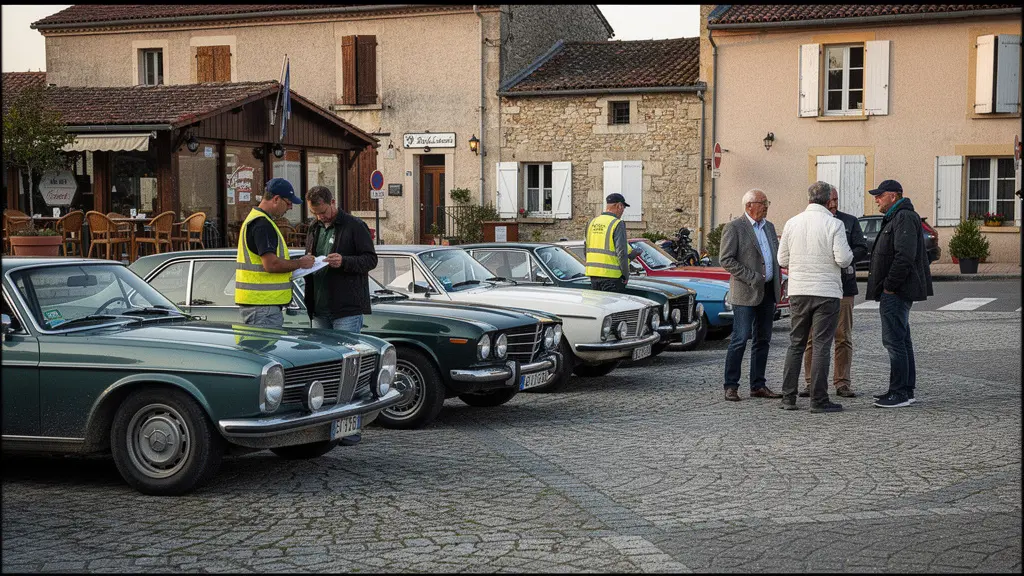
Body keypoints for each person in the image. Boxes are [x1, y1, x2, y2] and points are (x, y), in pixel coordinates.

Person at [777, 182, 854, 413]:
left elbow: (782, 259)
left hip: (799, 291)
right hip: (826, 291)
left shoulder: (792, 222)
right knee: (821, 345)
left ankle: (788, 398)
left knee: (796, 344)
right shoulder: (835, 224)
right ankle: (818, 400)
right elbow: (843, 259)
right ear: (828, 199)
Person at [865, 179, 933, 408]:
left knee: (894, 341)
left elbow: (904, 255)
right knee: (901, 339)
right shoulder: (899, 216)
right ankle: (904, 389)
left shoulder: (903, 217)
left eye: (879, 195)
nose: (876, 199)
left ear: (893, 196)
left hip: (897, 290)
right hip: (897, 289)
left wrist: (889, 285)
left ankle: (899, 393)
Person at [800, 185, 869, 399]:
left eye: (836, 199)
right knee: (813, 338)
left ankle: (842, 382)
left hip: (844, 285)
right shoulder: (809, 221)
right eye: (830, 199)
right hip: (819, 286)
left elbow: (861, 247)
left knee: (843, 336)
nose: (833, 203)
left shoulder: (849, 221)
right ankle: (810, 382)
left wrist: (845, 257)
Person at [718, 189, 783, 401]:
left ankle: (758, 384)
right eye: (763, 203)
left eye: (767, 202)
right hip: (746, 292)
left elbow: (774, 257)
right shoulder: (735, 227)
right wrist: (753, 277)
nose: (766, 206)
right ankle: (731, 385)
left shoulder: (769, 227)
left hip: (767, 292)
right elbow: (726, 259)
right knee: (740, 338)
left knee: (763, 340)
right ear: (749, 206)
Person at [235, 178, 314, 327]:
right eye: (289, 202)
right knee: (264, 348)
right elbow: (271, 264)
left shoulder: (257, 220)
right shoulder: (262, 224)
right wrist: (300, 263)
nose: (290, 207)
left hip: (259, 305)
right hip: (263, 307)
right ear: (276, 199)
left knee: (259, 349)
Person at [303, 185, 378, 333]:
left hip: (346, 310)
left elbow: (371, 259)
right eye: (314, 213)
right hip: (318, 309)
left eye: (323, 212)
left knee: (346, 355)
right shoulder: (314, 227)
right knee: (323, 356)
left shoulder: (355, 225)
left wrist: (344, 261)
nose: (320, 217)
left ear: (332, 202)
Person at [584, 193, 638, 293]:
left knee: (598, 307)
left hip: (593, 276)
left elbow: (585, 250)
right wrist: (626, 275)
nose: (622, 211)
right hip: (612, 277)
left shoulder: (592, 222)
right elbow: (621, 253)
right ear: (619, 206)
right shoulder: (617, 223)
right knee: (614, 308)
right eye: (623, 208)